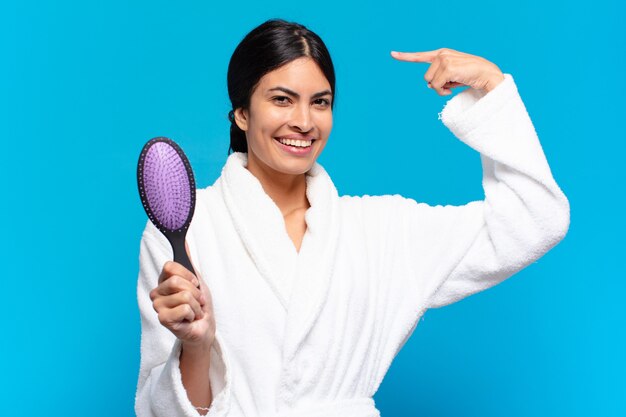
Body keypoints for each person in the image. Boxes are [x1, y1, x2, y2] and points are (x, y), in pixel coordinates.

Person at [134, 18, 570, 417]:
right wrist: (196, 346)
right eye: (282, 100)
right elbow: (158, 411)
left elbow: (536, 220)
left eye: (320, 102)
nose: (304, 122)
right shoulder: (187, 229)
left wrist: (490, 88)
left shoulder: (382, 231)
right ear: (242, 112)